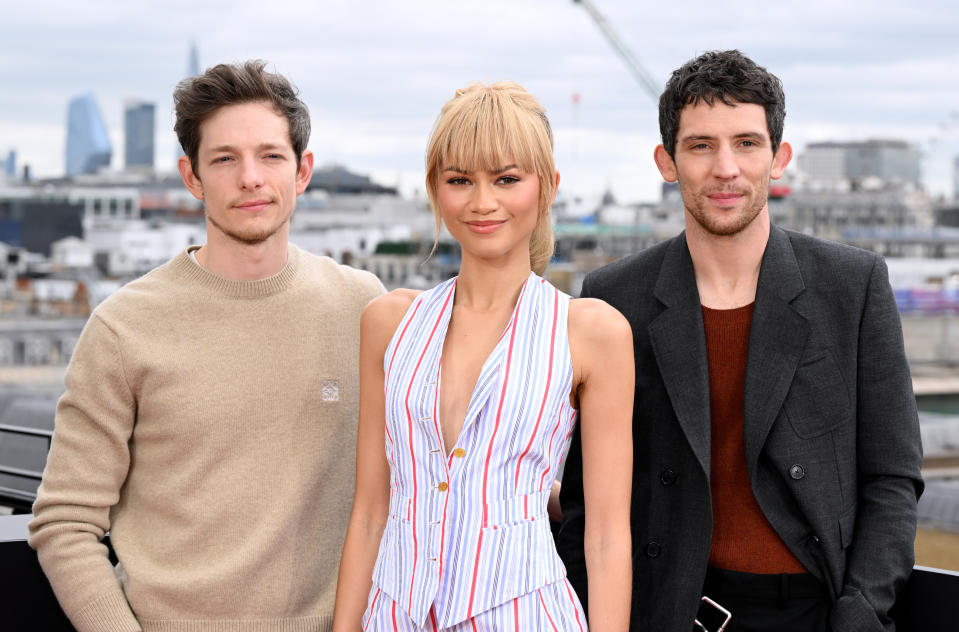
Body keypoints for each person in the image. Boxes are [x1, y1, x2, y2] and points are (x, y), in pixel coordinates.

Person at [556, 50, 924, 632]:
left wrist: (858, 612)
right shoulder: (612, 296)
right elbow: (583, 495)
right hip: (668, 610)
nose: (726, 168)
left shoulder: (852, 285)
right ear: (667, 161)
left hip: (814, 611)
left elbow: (892, 476)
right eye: (701, 145)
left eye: (747, 144)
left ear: (779, 158)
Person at [29, 60, 384, 632]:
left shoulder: (362, 304)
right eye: (225, 159)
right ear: (192, 177)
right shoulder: (124, 327)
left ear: (302, 171)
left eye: (270, 155)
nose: (250, 178)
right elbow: (65, 520)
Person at [332, 82, 633, 631]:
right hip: (392, 615)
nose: (482, 202)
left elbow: (608, 536)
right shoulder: (387, 323)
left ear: (548, 187)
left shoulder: (592, 332)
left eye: (507, 179)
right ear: (435, 190)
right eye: (459, 180)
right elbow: (372, 512)